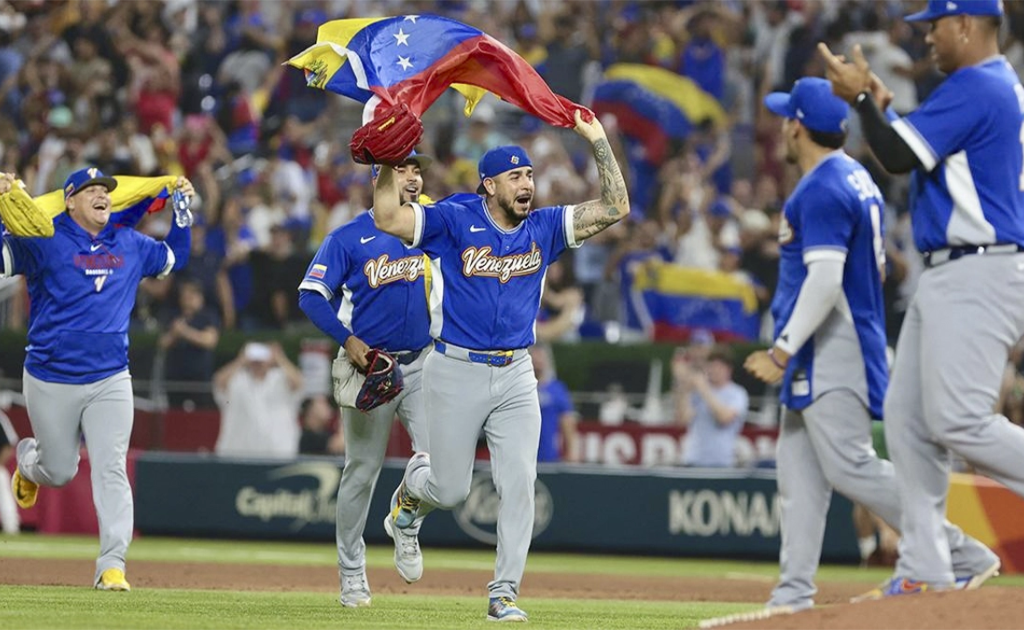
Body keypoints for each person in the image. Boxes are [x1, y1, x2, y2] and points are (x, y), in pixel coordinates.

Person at [734, 77, 997, 619]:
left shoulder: (823, 187)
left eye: (786, 118)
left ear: (798, 127)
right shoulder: (852, 175)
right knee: (798, 472)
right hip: (833, 340)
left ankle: (959, 551)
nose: (781, 127)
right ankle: (792, 596)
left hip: (834, 341)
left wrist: (782, 350)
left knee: (850, 466)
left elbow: (825, 280)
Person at [374, 110, 629, 622]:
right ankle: (410, 499)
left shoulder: (545, 227)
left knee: (519, 485)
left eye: (529, 174)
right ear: (489, 185)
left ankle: (504, 593)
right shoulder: (455, 218)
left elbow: (616, 207)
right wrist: (383, 163)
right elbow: (388, 219)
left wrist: (597, 137)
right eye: (515, 176)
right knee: (450, 490)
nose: (527, 184)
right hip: (456, 368)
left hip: (516, 373)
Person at [820, 0, 1023, 596]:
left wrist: (862, 100)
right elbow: (912, 149)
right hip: (952, 270)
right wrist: (880, 109)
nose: (927, 37)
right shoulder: (986, 85)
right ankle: (928, 568)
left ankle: (931, 566)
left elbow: (897, 156)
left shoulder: (979, 84)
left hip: (978, 267)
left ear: (966, 25)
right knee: (908, 422)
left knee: (960, 419)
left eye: (935, 26)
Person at [5, 167, 194, 590]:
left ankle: (112, 565)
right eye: (90, 189)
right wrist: (4, 206)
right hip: (51, 377)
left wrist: (182, 213)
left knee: (111, 468)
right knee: (59, 470)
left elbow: (174, 258)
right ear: (69, 201)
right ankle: (29, 465)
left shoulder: (129, 242)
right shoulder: (44, 238)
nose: (102, 194)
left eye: (105, 189)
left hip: (110, 378)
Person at [296, 153, 433, 608]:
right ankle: (352, 571)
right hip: (371, 367)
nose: (413, 177)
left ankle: (406, 517)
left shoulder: (432, 225)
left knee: (440, 464)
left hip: (423, 363)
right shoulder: (348, 237)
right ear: (379, 177)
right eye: (402, 168)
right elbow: (311, 295)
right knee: (361, 472)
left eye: (417, 169)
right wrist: (347, 340)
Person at [212, 341, 303, 459]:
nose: (258, 362)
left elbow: (298, 383)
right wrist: (240, 360)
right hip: (237, 453)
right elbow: (219, 382)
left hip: (278, 452)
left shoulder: (281, 378)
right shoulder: (237, 380)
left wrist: (280, 358)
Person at [674, 344, 748, 467]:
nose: (713, 370)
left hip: (722, 462)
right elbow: (682, 420)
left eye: (718, 367)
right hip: (693, 460)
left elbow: (724, 418)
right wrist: (683, 385)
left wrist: (703, 388)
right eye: (711, 366)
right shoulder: (696, 392)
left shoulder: (737, 393)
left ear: (728, 369)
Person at [530, 344, 580, 463]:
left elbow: (567, 421)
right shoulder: (520, 389)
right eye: (535, 356)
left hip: (548, 457)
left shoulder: (556, 389)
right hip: (523, 455)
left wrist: (572, 452)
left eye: (540, 356)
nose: (538, 361)